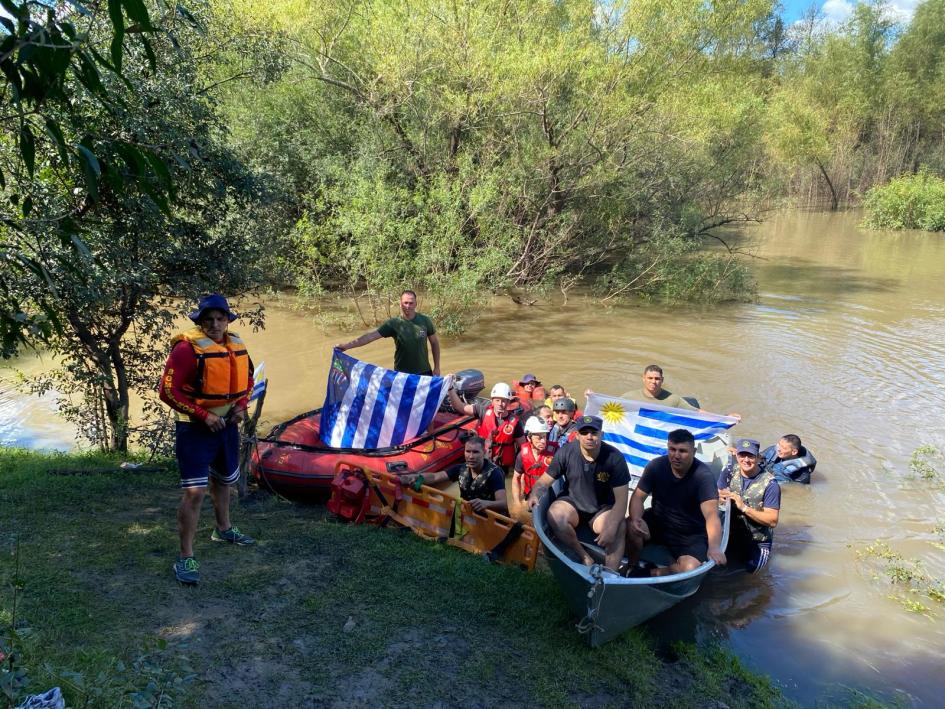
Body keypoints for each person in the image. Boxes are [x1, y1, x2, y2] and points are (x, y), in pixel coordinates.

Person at [159, 294, 256, 586]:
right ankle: (185, 555)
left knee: (225, 481)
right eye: (208, 319)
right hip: (195, 430)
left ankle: (223, 528)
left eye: (220, 318)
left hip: (226, 427)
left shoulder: (235, 344)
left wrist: (241, 406)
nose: (215, 324)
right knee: (195, 493)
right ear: (199, 321)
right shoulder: (185, 350)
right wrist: (203, 415)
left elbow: (249, 378)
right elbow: (167, 391)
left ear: (228, 320)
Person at [527, 415, 628, 571]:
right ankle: (584, 556)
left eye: (594, 432)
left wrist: (612, 527)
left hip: (601, 509)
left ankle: (610, 574)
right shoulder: (566, 452)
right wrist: (534, 494)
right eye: (584, 432)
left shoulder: (615, 458)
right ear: (577, 435)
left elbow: (622, 501)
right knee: (554, 514)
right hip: (572, 503)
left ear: (601, 434)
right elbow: (543, 482)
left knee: (620, 526)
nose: (589, 437)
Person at [626, 429, 725, 577]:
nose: (676, 455)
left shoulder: (703, 477)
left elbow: (711, 515)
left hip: (690, 534)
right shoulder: (656, 466)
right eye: (672, 449)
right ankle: (631, 566)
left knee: (690, 568)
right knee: (630, 526)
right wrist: (635, 518)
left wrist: (714, 547)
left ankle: (650, 573)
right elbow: (638, 497)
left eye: (682, 451)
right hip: (658, 522)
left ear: (694, 451)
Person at [335, 290, 441, 375]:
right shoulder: (393, 324)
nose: (408, 306)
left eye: (411, 303)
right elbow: (370, 337)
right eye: (405, 303)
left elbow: (435, 343)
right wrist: (346, 346)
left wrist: (437, 367)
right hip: (401, 373)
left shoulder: (425, 321)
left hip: (424, 372)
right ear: (400, 304)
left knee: (426, 402)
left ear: (416, 304)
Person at [718, 438, 780, 573]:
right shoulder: (729, 471)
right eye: (742, 455)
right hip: (730, 535)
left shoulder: (771, 484)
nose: (746, 460)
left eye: (750, 456)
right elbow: (717, 495)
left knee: (752, 574)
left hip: (757, 541)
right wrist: (719, 498)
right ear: (736, 455)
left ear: (758, 457)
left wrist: (744, 508)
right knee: (719, 569)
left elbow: (773, 520)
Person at [402, 436, 507, 515]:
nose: (471, 456)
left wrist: (486, 504)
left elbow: (503, 504)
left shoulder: (494, 473)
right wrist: (415, 478)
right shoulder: (460, 469)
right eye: (468, 451)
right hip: (468, 514)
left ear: (484, 452)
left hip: (492, 519)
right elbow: (435, 477)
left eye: (475, 452)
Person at [447, 381, 525, 473]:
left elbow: (523, 447)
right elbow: (460, 407)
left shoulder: (515, 422)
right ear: (492, 401)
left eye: (503, 401)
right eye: (497, 400)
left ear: (508, 402)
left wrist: (520, 470)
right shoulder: (482, 411)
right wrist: (450, 388)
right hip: (482, 461)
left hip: (502, 467)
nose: (500, 403)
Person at [510, 416, 558, 523]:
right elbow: (516, 479)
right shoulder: (522, 455)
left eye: (545, 436)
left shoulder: (556, 452)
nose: (543, 441)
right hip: (529, 495)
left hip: (549, 497)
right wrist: (517, 502)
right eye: (539, 437)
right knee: (518, 518)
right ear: (529, 437)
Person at [621, 364, 697, 410]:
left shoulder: (673, 400)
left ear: (662, 380)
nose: (653, 381)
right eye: (650, 378)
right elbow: (611, 409)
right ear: (644, 379)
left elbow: (696, 412)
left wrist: (709, 417)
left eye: (657, 379)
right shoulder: (629, 397)